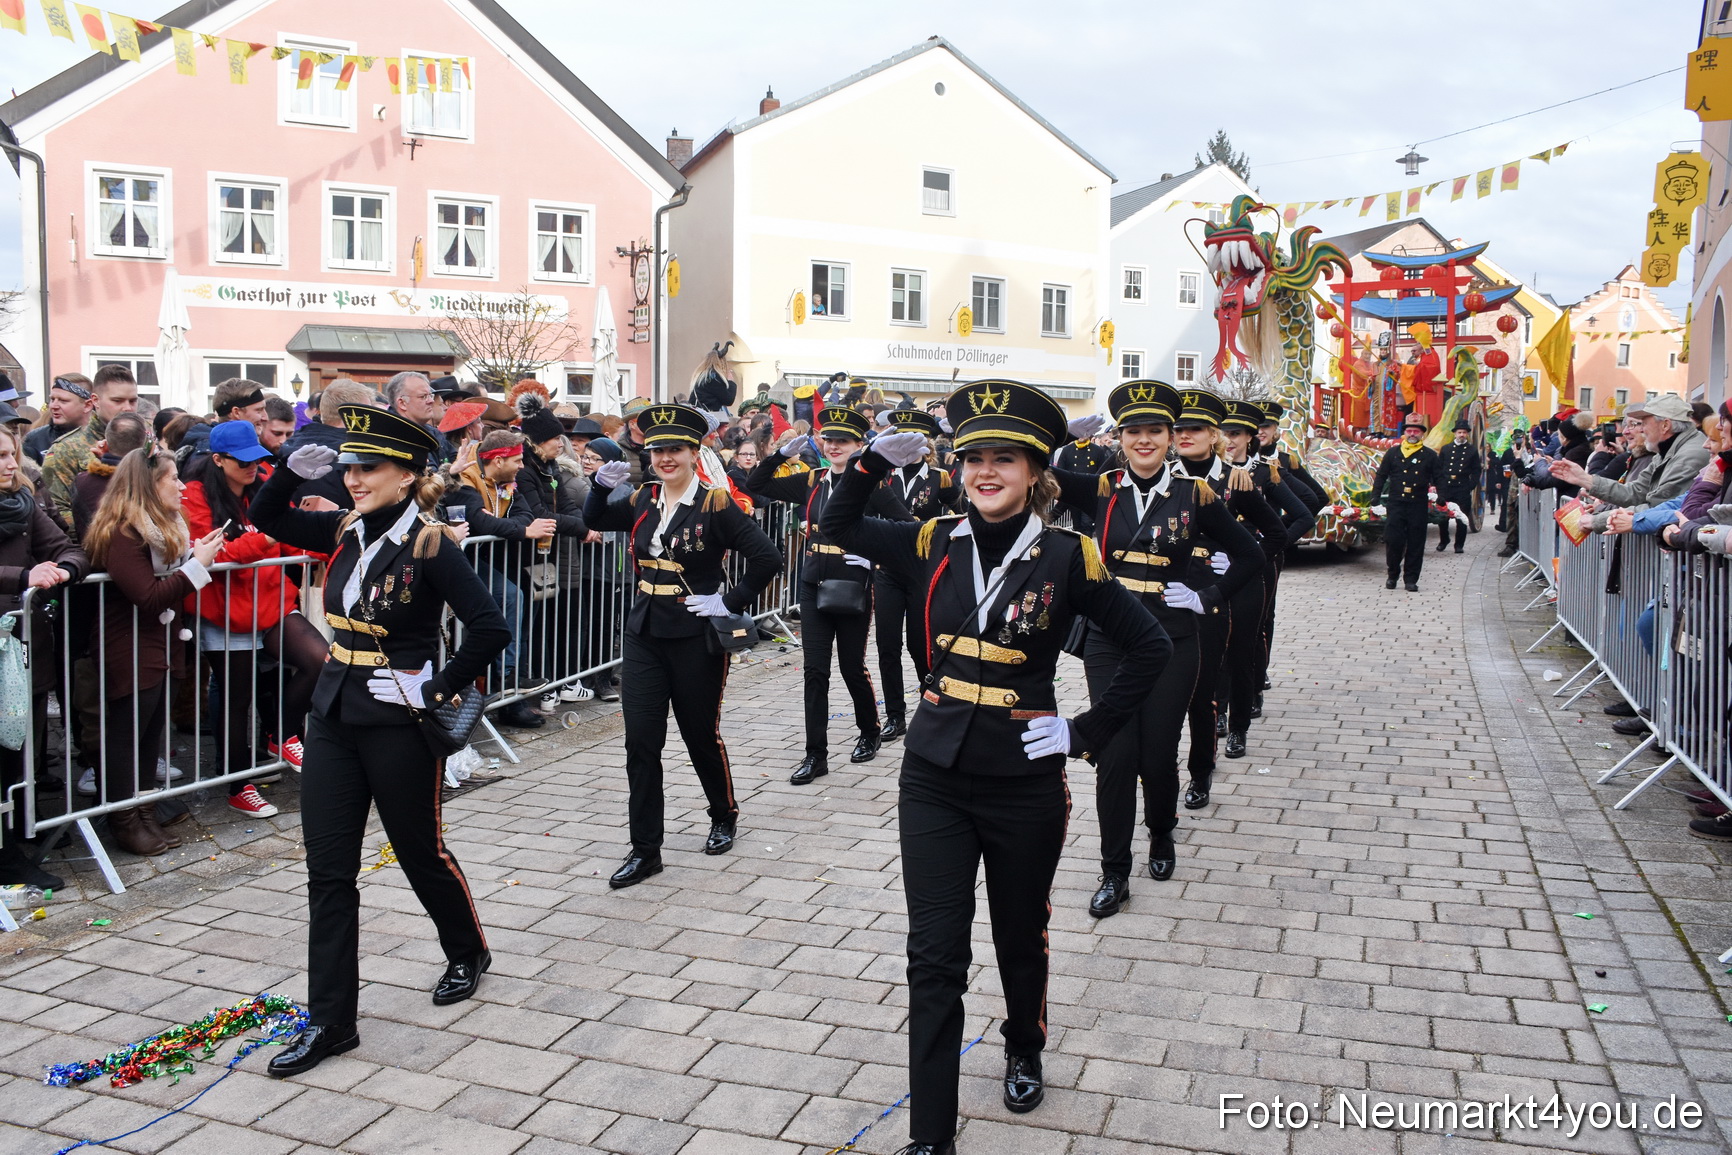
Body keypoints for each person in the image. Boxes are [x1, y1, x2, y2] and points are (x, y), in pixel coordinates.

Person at [819, 379, 1167, 1155]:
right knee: (933, 953)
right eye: (974, 456)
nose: (985, 470)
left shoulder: (1069, 554)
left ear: (1036, 469)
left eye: (1004, 458)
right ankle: (931, 1138)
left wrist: (1085, 731)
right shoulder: (930, 540)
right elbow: (835, 521)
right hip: (934, 774)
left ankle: (1023, 1041)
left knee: (1019, 930)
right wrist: (871, 461)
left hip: (1023, 781)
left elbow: (1150, 646)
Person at [249, 405, 511, 1077]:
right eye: (350, 467)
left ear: (407, 475)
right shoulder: (344, 528)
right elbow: (268, 519)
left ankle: (467, 948)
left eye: (369, 468)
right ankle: (332, 1021)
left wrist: (437, 689)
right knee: (328, 871)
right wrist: (283, 470)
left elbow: (489, 625)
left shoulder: (430, 544)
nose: (353, 478)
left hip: (398, 721)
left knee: (419, 851)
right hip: (335, 713)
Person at [1052, 383, 1261, 909]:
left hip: (1172, 637)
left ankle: (1162, 833)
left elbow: (1252, 555)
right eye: (1133, 431)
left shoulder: (1196, 495)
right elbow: (1040, 475)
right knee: (1115, 751)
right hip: (1110, 636)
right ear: (1118, 437)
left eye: (1155, 431)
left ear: (1171, 437)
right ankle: (1114, 870)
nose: (1144, 440)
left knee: (1159, 750)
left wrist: (1207, 596)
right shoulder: (1100, 488)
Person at [582, 403, 782, 889]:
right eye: (657, 451)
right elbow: (596, 520)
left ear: (694, 453)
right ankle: (645, 849)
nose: (665, 459)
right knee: (641, 742)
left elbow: (767, 557)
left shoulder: (715, 504)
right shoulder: (643, 499)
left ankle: (723, 813)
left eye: (675, 450)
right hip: (646, 632)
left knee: (698, 735)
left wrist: (727, 600)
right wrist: (599, 488)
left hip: (695, 636)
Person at [747, 406, 915, 784]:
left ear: (859, 445)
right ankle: (815, 754)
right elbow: (756, 485)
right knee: (814, 671)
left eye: (844, 440)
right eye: (829, 439)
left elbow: (907, 528)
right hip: (813, 580)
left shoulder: (870, 483)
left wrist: (873, 552)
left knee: (851, 666)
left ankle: (869, 731)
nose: (834, 445)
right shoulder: (812, 480)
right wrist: (778, 455)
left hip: (853, 582)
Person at [83, 449, 226, 858]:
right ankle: (124, 820)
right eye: (172, 478)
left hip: (160, 643)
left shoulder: (164, 527)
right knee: (128, 737)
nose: (181, 485)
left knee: (150, 737)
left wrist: (197, 555)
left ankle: (144, 812)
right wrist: (198, 566)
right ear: (149, 485)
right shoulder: (122, 532)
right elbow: (147, 596)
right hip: (128, 645)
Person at [182, 420, 330, 810]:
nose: (253, 467)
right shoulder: (196, 496)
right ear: (217, 459)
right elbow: (213, 555)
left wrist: (324, 542)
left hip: (271, 601)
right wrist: (266, 536)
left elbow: (290, 533)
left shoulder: (262, 486)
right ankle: (237, 787)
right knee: (235, 699)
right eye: (243, 461)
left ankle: (279, 732)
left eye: (258, 459)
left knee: (319, 658)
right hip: (224, 610)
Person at [1170, 388, 1287, 810]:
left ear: (1213, 434)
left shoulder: (1235, 479)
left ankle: (1232, 732)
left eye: (1195, 428)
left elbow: (1275, 532)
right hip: (1178, 590)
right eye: (1179, 428)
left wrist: (1242, 556)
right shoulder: (1164, 476)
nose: (1185, 435)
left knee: (1235, 661)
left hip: (1228, 587)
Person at [0, 422, 86, 888]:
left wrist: (64, 570)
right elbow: (26, 571)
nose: (12, 465)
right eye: (0, 457)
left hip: (25, 648)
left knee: (24, 749)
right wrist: (23, 577)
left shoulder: (25, 503)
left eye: (13, 455)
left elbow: (67, 549)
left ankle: (18, 832)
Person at [443, 429, 557, 728]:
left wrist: (512, 526)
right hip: (459, 561)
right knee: (509, 598)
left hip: (488, 559)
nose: (522, 466)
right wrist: (519, 530)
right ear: (497, 460)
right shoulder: (465, 478)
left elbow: (525, 514)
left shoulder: (507, 482)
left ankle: (509, 689)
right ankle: (504, 680)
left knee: (514, 600)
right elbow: (478, 521)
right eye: (517, 460)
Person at [873, 408, 964, 740]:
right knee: (887, 645)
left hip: (922, 571)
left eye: (915, 440)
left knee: (919, 643)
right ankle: (895, 715)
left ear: (925, 444)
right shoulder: (882, 476)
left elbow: (963, 515)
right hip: (887, 569)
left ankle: (932, 704)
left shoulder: (939, 477)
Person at [42, 364, 140, 529]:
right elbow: (58, 510)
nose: (127, 408)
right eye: (117, 400)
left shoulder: (144, 436)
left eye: (133, 401)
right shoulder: (66, 448)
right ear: (95, 401)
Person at [1370, 414, 1440, 592]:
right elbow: (1381, 476)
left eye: (1416, 431)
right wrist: (1375, 497)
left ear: (1422, 434)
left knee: (1416, 543)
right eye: (1409, 430)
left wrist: (1441, 496)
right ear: (1405, 433)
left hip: (1417, 504)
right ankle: (1392, 574)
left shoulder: (1430, 455)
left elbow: (1440, 478)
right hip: (1396, 504)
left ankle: (1411, 579)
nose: (1412, 434)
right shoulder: (1393, 453)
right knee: (1394, 541)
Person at [1435, 420, 1481, 553]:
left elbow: (1477, 470)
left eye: (1464, 432)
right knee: (1442, 516)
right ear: (1454, 433)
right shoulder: (1446, 449)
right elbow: (1439, 468)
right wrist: (1438, 485)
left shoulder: (1472, 450)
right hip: (1446, 487)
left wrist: (1470, 485)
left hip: (1462, 487)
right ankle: (1444, 540)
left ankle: (1459, 544)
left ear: (1467, 434)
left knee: (1462, 517)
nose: (1462, 435)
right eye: (1459, 432)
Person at [27, 374, 93, 466]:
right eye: (52, 399)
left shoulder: (106, 437)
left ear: (87, 405)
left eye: (63, 401)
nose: (54, 406)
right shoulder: (35, 439)